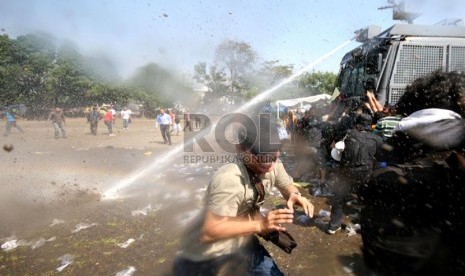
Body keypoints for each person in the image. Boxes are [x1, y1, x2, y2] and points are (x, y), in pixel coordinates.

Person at [173, 114, 314, 276]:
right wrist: (260, 226)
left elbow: (285, 184)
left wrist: (295, 194)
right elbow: (210, 230)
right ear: (240, 148)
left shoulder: (272, 162)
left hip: (242, 240)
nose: (269, 165)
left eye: (274, 157)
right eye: (262, 158)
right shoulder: (229, 179)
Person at [327, 113, 383, 234]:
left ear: (357, 123)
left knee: (339, 199)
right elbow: (379, 157)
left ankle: (333, 226)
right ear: (370, 125)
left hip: (346, 172)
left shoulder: (347, 134)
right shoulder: (377, 139)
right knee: (366, 201)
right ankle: (366, 226)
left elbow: (336, 148)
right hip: (365, 174)